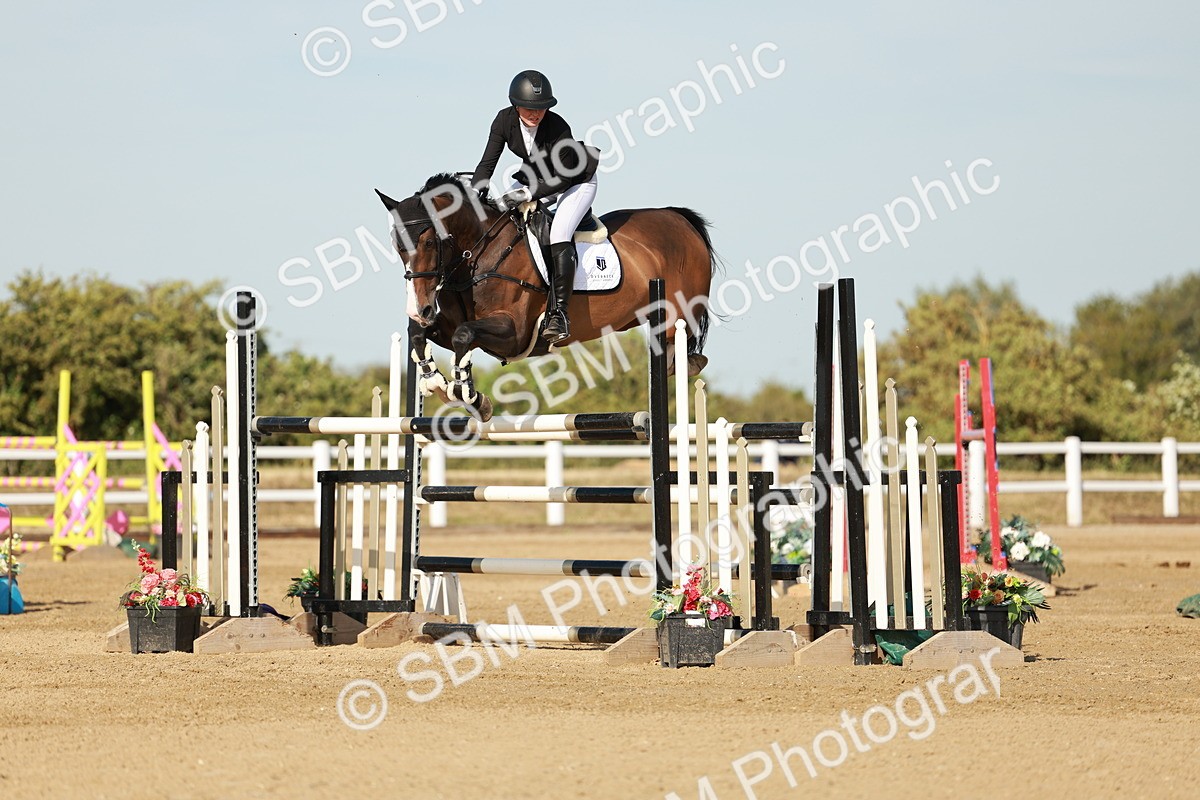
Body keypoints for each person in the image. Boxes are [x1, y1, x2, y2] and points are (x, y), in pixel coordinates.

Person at [470, 70, 598, 344]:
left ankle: (559, 314)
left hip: (575, 183)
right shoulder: (504, 120)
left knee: (558, 233)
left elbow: (563, 178)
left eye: (541, 108)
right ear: (516, 105)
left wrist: (527, 192)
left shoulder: (557, 127)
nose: (536, 113)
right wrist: (475, 193)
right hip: (540, 181)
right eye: (530, 108)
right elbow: (487, 164)